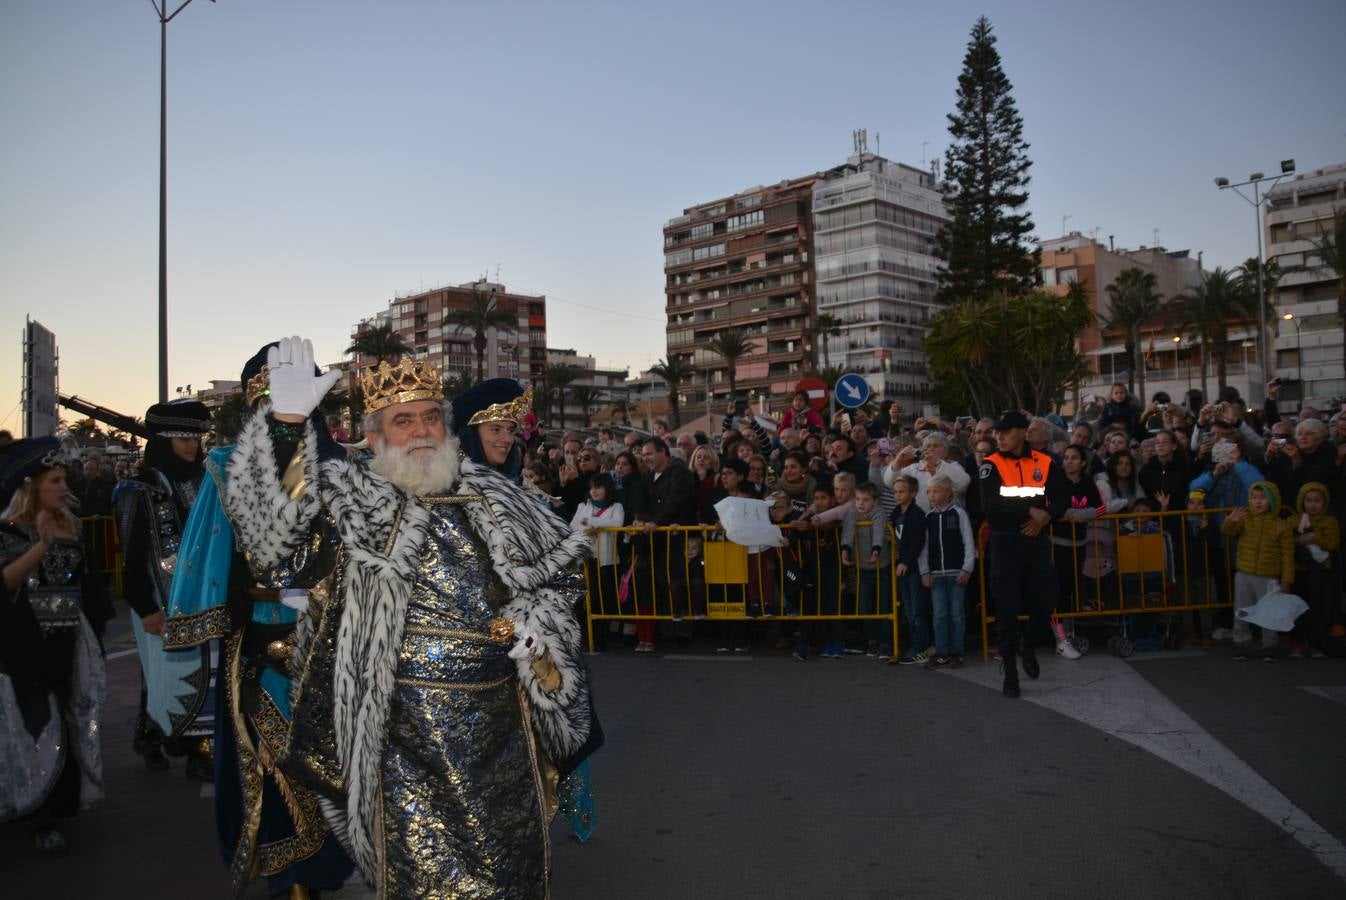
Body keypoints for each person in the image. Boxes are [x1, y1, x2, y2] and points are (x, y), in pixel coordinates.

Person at [217, 339, 599, 895]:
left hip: (501, 729)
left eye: (428, 418)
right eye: (402, 421)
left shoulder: (500, 498)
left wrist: (539, 632)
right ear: (374, 437)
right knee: (418, 874)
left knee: (508, 870)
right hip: (399, 732)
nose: (420, 430)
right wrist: (286, 427)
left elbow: (561, 577)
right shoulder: (349, 501)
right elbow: (279, 551)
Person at [0, 437, 106, 852]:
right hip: (25, 640)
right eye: (55, 480)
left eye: (65, 479)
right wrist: (40, 546)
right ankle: (38, 816)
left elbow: (85, 579)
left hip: (69, 637)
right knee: (37, 723)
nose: (65, 487)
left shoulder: (72, 521)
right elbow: (6, 582)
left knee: (71, 714)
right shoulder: (8, 530)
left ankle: (61, 803)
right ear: (31, 486)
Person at [114, 400, 215, 780]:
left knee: (200, 672)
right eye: (183, 437)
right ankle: (160, 738)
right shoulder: (140, 490)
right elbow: (131, 556)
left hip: (203, 598)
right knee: (162, 672)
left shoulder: (208, 482)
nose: (192, 445)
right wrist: (144, 607)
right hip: (160, 600)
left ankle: (193, 748)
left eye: (196, 437)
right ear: (163, 440)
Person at [979, 410, 1068, 698]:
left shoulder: (1045, 461)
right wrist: (1029, 511)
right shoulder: (990, 465)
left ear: (1021, 431)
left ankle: (1027, 645)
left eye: (1005, 432)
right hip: (1005, 542)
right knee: (1007, 610)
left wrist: (1046, 517)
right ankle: (1011, 675)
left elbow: (1063, 497)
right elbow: (991, 508)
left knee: (1046, 600)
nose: (999, 437)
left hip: (1036, 540)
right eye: (997, 433)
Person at [1220, 482, 1294, 662]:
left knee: (1269, 612)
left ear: (1272, 500)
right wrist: (1230, 520)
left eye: (1262, 498)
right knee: (1242, 610)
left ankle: (1269, 645)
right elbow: (1228, 531)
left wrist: (1286, 580)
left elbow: (1287, 556)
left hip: (1269, 577)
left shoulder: (1281, 526)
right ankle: (1241, 644)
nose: (1257, 502)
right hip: (1244, 574)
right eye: (1254, 498)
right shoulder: (1246, 518)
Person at [918, 474, 975, 668]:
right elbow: (923, 548)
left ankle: (956, 652)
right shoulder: (928, 518)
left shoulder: (958, 514)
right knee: (940, 614)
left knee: (957, 613)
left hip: (956, 572)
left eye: (936, 491)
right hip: (936, 575)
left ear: (948, 493)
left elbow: (968, 542)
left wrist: (967, 569)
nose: (931, 495)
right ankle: (942, 651)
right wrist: (924, 572)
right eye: (929, 492)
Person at [572, 472, 624, 649]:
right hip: (586, 558)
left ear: (607, 489)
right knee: (589, 599)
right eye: (592, 487)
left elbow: (617, 523)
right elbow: (574, 527)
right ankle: (589, 637)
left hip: (606, 560)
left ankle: (602, 636)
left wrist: (592, 522)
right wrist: (593, 524)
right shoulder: (582, 506)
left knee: (604, 598)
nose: (594, 491)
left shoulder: (616, 506)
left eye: (599, 487)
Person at [841, 482, 894, 658]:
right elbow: (848, 530)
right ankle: (872, 641)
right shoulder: (852, 513)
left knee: (884, 606)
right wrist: (845, 549)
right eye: (857, 499)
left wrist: (876, 549)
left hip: (882, 568)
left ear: (875, 501)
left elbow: (879, 530)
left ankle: (885, 643)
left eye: (865, 500)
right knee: (864, 607)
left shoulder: (878, 512)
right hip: (863, 569)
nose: (860, 503)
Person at [1289, 483, 1339, 658]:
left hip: (1320, 571)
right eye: (1308, 500)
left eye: (1317, 500)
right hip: (1298, 570)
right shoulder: (1293, 521)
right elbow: (1284, 541)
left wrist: (1316, 536)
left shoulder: (1329, 521)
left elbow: (1333, 542)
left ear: (1324, 502)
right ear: (1302, 501)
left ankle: (1317, 643)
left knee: (1319, 609)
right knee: (1298, 608)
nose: (1313, 504)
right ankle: (1297, 643)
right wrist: (1299, 540)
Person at [452, 378, 529, 481]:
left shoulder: (522, 487)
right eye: (496, 430)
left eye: (510, 430)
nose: (507, 440)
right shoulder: (447, 489)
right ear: (472, 435)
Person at [890, 474, 931, 666]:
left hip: (913, 568)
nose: (898, 495)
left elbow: (918, 542)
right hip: (901, 568)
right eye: (896, 492)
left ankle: (920, 647)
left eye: (902, 492)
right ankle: (913, 644)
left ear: (913, 493)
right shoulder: (896, 513)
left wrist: (905, 561)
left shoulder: (917, 514)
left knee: (917, 610)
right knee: (908, 609)